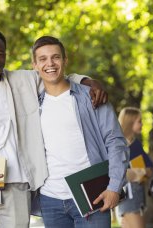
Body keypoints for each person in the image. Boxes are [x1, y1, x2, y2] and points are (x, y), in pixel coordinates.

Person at [0, 28, 107, 228]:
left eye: (0, 54)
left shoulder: (24, 81)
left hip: (17, 188)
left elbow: (58, 77)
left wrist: (90, 82)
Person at [32, 35, 129, 228]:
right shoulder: (33, 104)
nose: (50, 63)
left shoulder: (91, 96)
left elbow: (115, 141)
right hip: (51, 199)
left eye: (56, 57)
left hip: (92, 196)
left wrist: (114, 187)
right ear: (34, 65)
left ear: (65, 61)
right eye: (42, 59)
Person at [117, 107, 153, 228]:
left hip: (139, 197)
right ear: (130, 122)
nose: (142, 124)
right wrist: (138, 173)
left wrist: (135, 173)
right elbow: (117, 173)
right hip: (128, 198)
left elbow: (149, 171)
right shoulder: (117, 145)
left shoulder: (136, 144)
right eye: (139, 121)